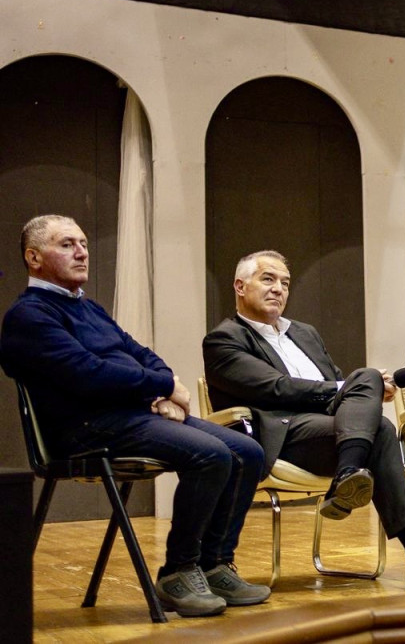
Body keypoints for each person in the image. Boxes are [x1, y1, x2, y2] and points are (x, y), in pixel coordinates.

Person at [0, 215, 268, 618]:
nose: (82, 252)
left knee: (247, 451)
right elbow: (89, 375)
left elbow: (139, 353)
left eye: (83, 243)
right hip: (83, 430)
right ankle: (178, 572)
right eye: (67, 244)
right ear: (33, 258)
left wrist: (161, 387)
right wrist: (162, 387)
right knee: (210, 454)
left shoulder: (89, 308)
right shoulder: (29, 316)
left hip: (130, 418)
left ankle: (214, 565)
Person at [202, 251, 405, 592]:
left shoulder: (306, 333)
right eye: (268, 279)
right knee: (376, 411)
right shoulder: (224, 339)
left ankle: (349, 473)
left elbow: (339, 385)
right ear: (240, 286)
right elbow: (276, 389)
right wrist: (359, 387)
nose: (279, 289)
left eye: (285, 283)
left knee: (374, 409)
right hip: (282, 435)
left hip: (331, 431)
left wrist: (363, 391)